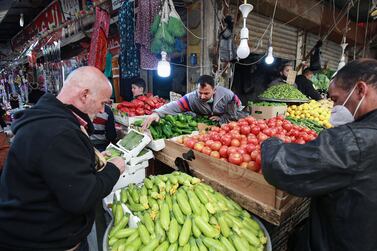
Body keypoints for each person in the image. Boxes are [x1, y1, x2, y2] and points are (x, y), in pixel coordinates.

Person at [0, 66, 126, 250]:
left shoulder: (50, 118)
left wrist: (90, 159)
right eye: (102, 103)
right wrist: (114, 168)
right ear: (84, 95)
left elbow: (58, 169)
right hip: (41, 243)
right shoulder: (59, 132)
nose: (101, 110)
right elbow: (83, 198)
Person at [261, 58, 377, 251]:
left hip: (342, 240)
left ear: (360, 90)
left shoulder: (353, 140)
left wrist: (270, 141)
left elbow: (280, 166)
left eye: (335, 99)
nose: (333, 108)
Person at [143, 74, 244, 128]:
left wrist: (222, 117)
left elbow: (237, 110)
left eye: (206, 93)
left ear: (214, 90)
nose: (202, 96)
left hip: (226, 127)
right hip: (205, 128)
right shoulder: (191, 98)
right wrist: (156, 113)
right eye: (200, 92)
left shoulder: (227, 95)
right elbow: (174, 105)